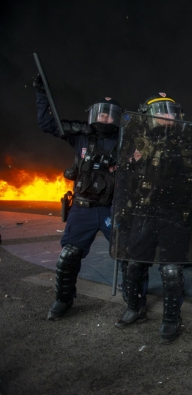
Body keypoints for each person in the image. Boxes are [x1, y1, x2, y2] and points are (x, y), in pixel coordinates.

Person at [34, 75, 122, 321]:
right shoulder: (81, 136)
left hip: (110, 209)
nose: (105, 118)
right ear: (94, 115)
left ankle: (135, 303)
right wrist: (41, 94)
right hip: (82, 208)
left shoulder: (125, 141)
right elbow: (47, 125)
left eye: (110, 114)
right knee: (68, 256)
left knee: (128, 255)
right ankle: (63, 300)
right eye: (101, 113)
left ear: (116, 118)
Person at [114, 93, 188, 344]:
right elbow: (124, 179)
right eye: (161, 112)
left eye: (171, 112)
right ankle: (135, 307)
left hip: (172, 215)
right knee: (134, 263)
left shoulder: (185, 144)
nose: (168, 116)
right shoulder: (135, 144)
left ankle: (171, 318)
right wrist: (123, 208)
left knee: (170, 270)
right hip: (143, 213)